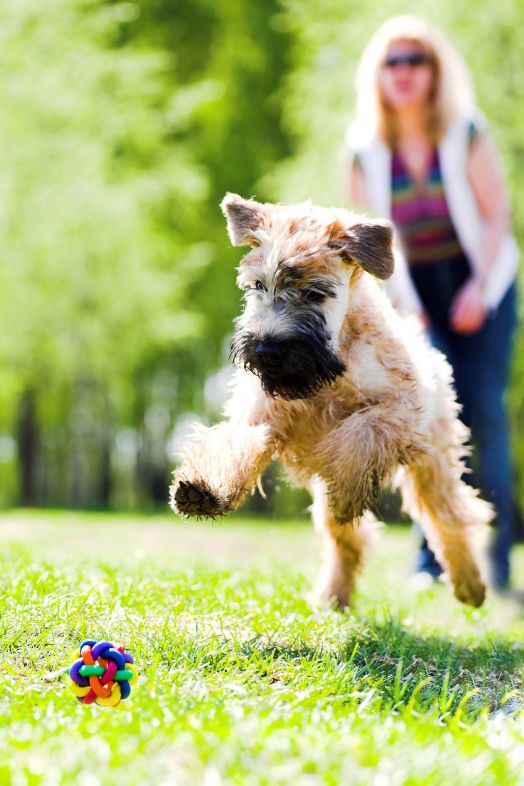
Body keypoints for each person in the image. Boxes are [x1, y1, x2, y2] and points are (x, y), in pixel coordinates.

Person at [346, 15, 519, 591]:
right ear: (379, 73)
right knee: (425, 410)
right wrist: (403, 310)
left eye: (415, 60)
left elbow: (496, 216)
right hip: (411, 291)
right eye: (392, 61)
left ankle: (494, 560)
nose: (403, 72)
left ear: (434, 72)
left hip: (481, 281)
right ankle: (431, 560)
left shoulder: (464, 129)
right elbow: (366, 247)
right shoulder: (364, 150)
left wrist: (478, 289)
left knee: (485, 414)